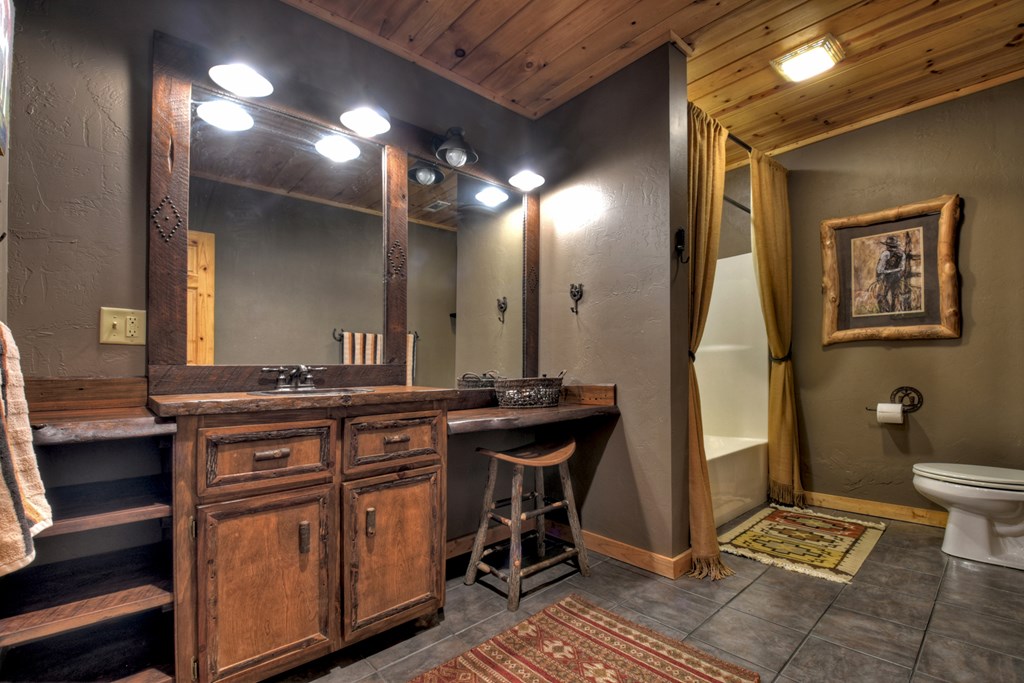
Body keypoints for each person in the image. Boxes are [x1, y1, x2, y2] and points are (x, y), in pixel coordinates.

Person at [875, 235, 907, 313]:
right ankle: (893, 314)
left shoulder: (885, 254)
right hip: (897, 277)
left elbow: (879, 270)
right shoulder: (902, 254)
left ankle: (886, 313)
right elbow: (902, 268)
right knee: (895, 296)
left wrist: (886, 273)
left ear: (887, 245)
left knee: (881, 296)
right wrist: (897, 272)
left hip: (886, 277)